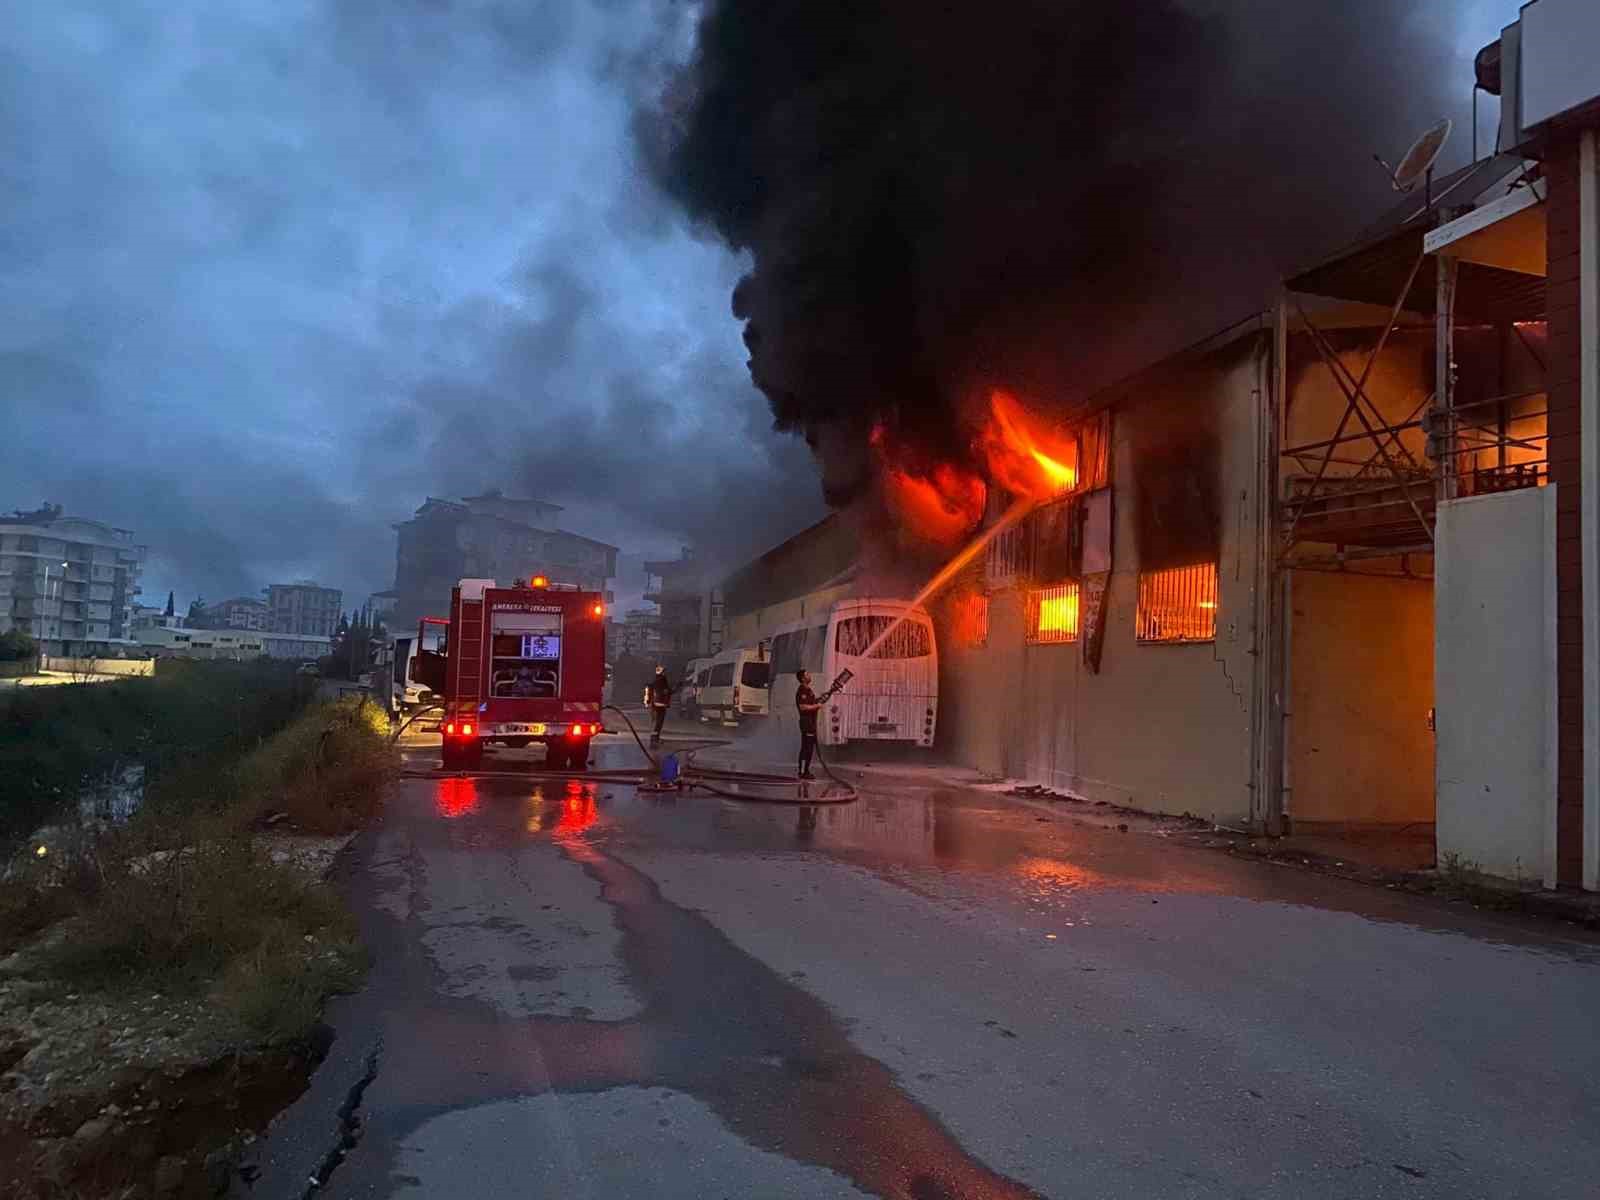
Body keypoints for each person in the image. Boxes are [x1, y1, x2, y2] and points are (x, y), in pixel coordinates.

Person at [795, 669, 823, 779]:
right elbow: (803, 707)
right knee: (806, 747)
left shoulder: (809, 690)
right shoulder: (802, 690)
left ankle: (806, 771)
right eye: (807, 674)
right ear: (803, 678)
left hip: (811, 723)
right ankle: (802, 772)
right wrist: (816, 706)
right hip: (806, 722)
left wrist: (819, 700)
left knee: (810, 748)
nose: (810, 675)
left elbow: (811, 703)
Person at [644, 665, 672, 746]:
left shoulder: (654, 680)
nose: (665, 673)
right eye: (664, 672)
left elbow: (650, 692)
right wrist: (676, 688)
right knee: (658, 723)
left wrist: (648, 702)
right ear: (662, 672)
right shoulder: (663, 680)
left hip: (654, 705)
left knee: (655, 723)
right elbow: (667, 691)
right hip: (660, 705)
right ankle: (655, 739)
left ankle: (654, 738)